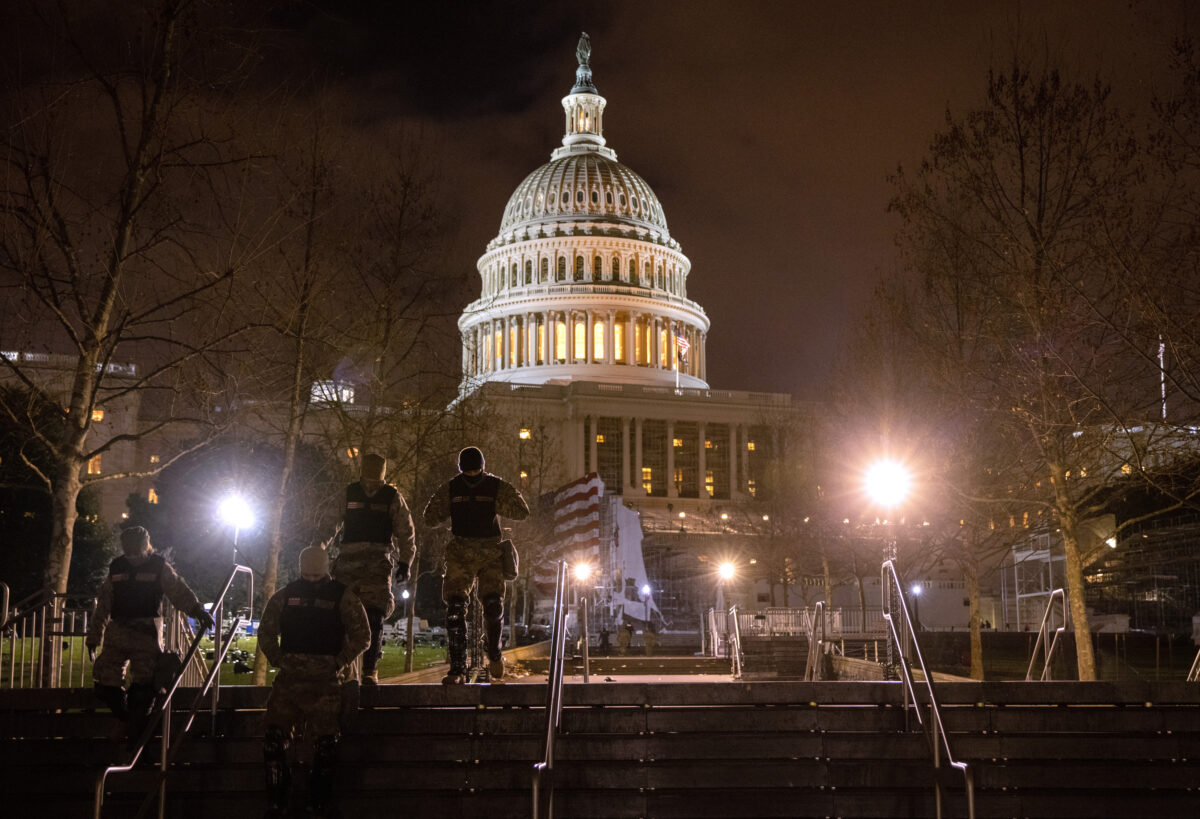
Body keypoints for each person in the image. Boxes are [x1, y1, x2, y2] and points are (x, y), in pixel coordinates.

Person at [257, 545, 371, 819]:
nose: (310, 581)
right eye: (306, 575)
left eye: (315, 576)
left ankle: (318, 804)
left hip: (326, 683)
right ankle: (277, 804)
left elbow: (363, 635)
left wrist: (338, 662)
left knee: (326, 746)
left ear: (325, 571)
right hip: (289, 681)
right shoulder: (285, 596)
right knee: (273, 741)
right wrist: (279, 659)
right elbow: (266, 631)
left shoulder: (342, 596)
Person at [86, 526, 213, 746]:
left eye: (136, 552)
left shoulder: (159, 567)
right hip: (118, 630)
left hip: (146, 633)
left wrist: (197, 610)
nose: (133, 557)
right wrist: (94, 637)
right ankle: (127, 722)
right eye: (129, 552)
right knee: (105, 681)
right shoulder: (117, 567)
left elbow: (177, 590)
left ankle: (134, 734)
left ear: (145, 548)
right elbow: (105, 603)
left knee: (143, 689)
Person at [423, 446, 529, 684]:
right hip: (489, 551)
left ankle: (458, 669)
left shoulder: (451, 488)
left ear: (460, 466)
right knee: (493, 605)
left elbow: (430, 517)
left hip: (461, 551)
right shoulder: (494, 486)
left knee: (456, 609)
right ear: (483, 465)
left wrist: (455, 507)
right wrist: (494, 501)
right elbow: (521, 511)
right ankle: (494, 654)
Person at [332, 452, 415, 685]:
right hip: (357, 562)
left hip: (372, 563)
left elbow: (405, 532)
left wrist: (405, 562)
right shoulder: (356, 494)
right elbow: (331, 523)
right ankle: (353, 668)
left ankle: (366, 668)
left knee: (372, 615)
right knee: (352, 615)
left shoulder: (389, 496)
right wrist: (405, 562)